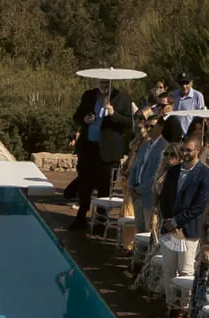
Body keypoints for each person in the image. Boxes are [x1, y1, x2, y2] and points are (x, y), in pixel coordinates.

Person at [157, 137, 209, 318]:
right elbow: (164, 198)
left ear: (197, 150)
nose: (185, 154)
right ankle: (171, 306)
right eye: (183, 150)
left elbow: (199, 206)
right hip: (169, 228)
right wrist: (168, 220)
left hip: (188, 230)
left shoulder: (204, 174)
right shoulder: (173, 171)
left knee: (186, 270)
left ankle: (183, 310)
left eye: (189, 150)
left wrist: (178, 221)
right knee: (168, 269)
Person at [70, 77, 133, 230]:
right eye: (102, 83)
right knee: (85, 185)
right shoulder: (89, 95)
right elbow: (76, 116)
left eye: (107, 83)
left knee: (105, 189)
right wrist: (84, 119)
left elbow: (129, 123)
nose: (104, 86)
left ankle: (100, 223)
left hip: (109, 152)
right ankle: (80, 219)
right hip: (88, 148)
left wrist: (114, 114)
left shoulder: (122, 98)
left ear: (112, 83)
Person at [128, 114, 166, 233]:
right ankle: (138, 251)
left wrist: (140, 190)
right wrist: (131, 187)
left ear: (160, 127)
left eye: (152, 126)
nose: (148, 128)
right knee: (139, 229)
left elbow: (157, 174)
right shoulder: (144, 146)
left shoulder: (164, 147)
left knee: (149, 231)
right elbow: (135, 167)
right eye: (146, 125)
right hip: (136, 193)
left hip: (149, 195)